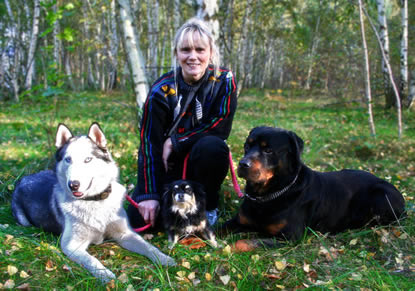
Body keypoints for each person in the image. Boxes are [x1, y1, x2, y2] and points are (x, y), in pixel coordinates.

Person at [127, 18, 238, 229]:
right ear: (176, 53)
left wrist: (176, 142)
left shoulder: (224, 80)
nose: (193, 56)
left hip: (203, 161)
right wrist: (149, 194)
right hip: (169, 167)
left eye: (200, 49)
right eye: (185, 50)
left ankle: (207, 208)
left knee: (214, 147)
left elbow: (221, 125)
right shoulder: (161, 90)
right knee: (142, 219)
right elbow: (149, 143)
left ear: (210, 52)